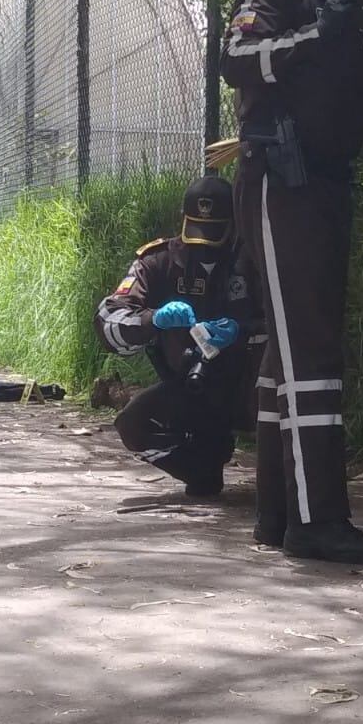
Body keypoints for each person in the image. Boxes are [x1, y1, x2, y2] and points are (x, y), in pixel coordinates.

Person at [222, 0, 363, 564]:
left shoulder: (349, 10)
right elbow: (235, 61)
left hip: (329, 183)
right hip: (283, 178)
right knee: (311, 349)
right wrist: (313, 34)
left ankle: (278, 514)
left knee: (292, 350)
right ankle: (317, 519)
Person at [93, 175, 265, 497]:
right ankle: (201, 466)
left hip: (249, 385)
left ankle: (281, 487)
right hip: (190, 385)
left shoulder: (254, 259)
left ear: (234, 225)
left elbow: (288, 322)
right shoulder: (159, 261)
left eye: (215, 233)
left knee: (278, 405)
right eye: (197, 232)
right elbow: (107, 320)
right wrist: (153, 320)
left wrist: (241, 331)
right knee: (133, 423)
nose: (204, 246)